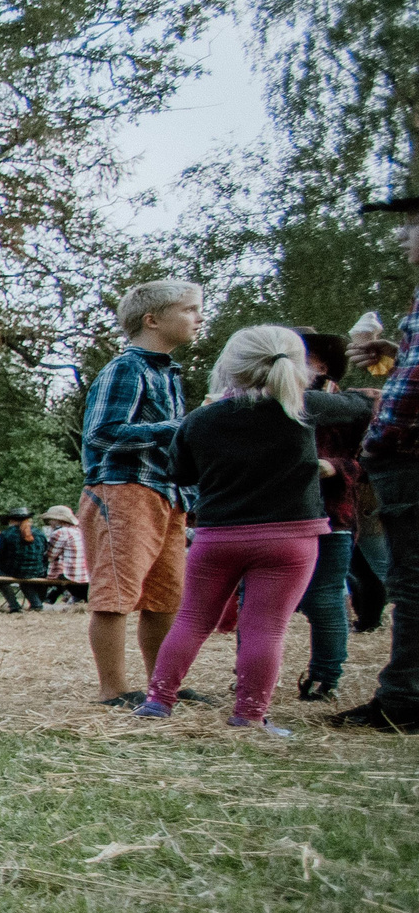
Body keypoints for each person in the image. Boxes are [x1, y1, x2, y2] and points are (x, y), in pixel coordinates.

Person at [134, 327, 374, 735]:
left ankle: (158, 701)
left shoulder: (201, 419)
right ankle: (249, 714)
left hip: (217, 537)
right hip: (290, 538)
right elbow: (357, 407)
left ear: (229, 366)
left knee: (192, 619)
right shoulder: (303, 407)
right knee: (265, 627)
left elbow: (179, 471)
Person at [79, 278, 203, 705]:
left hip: (168, 495)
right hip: (123, 491)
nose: (199, 318)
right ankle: (111, 690)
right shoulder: (126, 368)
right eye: (189, 309)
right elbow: (101, 434)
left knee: (165, 596)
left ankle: (161, 685)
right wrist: (180, 428)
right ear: (152, 319)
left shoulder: (168, 374)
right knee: (115, 593)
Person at [335, 194, 419, 729]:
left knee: (411, 582)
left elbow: (413, 393)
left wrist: (374, 444)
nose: (402, 236)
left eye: (412, 226)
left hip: (408, 460)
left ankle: (404, 702)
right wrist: (397, 350)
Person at [288, 332, 367, 702]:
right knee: (252, 596)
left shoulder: (352, 405)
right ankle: (249, 673)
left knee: (324, 597)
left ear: (321, 364)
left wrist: (334, 467)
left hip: (332, 513)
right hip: (276, 513)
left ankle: (324, 679)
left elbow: (366, 460)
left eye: (301, 355)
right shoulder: (267, 401)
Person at [0, 508, 48, 613]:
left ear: (11, 520)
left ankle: (14, 605)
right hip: (36, 570)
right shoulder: (39, 533)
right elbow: (44, 552)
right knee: (25, 579)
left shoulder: (6, 534)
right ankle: (36, 604)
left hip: (14, 570)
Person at [39, 505, 89, 605]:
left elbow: (51, 555)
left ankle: (43, 601)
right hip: (83, 573)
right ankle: (51, 599)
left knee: (40, 573)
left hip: (69, 573)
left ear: (57, 520)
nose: (49, 522)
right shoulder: (78, 531)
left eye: (50, 519)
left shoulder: (60, 533)